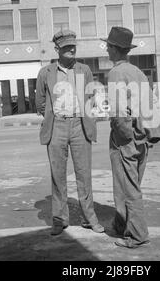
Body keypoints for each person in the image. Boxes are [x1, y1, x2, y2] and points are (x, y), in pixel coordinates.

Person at [102, 26, 160, 249]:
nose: (107, 49)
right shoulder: (137, 71)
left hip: (127, 139)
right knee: (129, 185)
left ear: (113, 49)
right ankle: (121, 225)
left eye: (108, 46)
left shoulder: (116, 73)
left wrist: (124, 138)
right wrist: (145, 136)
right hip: (142, 137)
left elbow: (119, 114)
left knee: (129, 189)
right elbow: (151, 107)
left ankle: (137, 235)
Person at [35, 29, 104, 236]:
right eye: (66, 47)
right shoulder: (45, 73)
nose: (72, 49)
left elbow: (91, 95)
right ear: (57, 49)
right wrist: (54, 114)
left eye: (73, 45)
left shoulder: (85, 69)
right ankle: (59, 219)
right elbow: (39, 102)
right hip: (56, 126)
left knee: (84, 174)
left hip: (80, 126)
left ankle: (89, 218)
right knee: (58, 175)